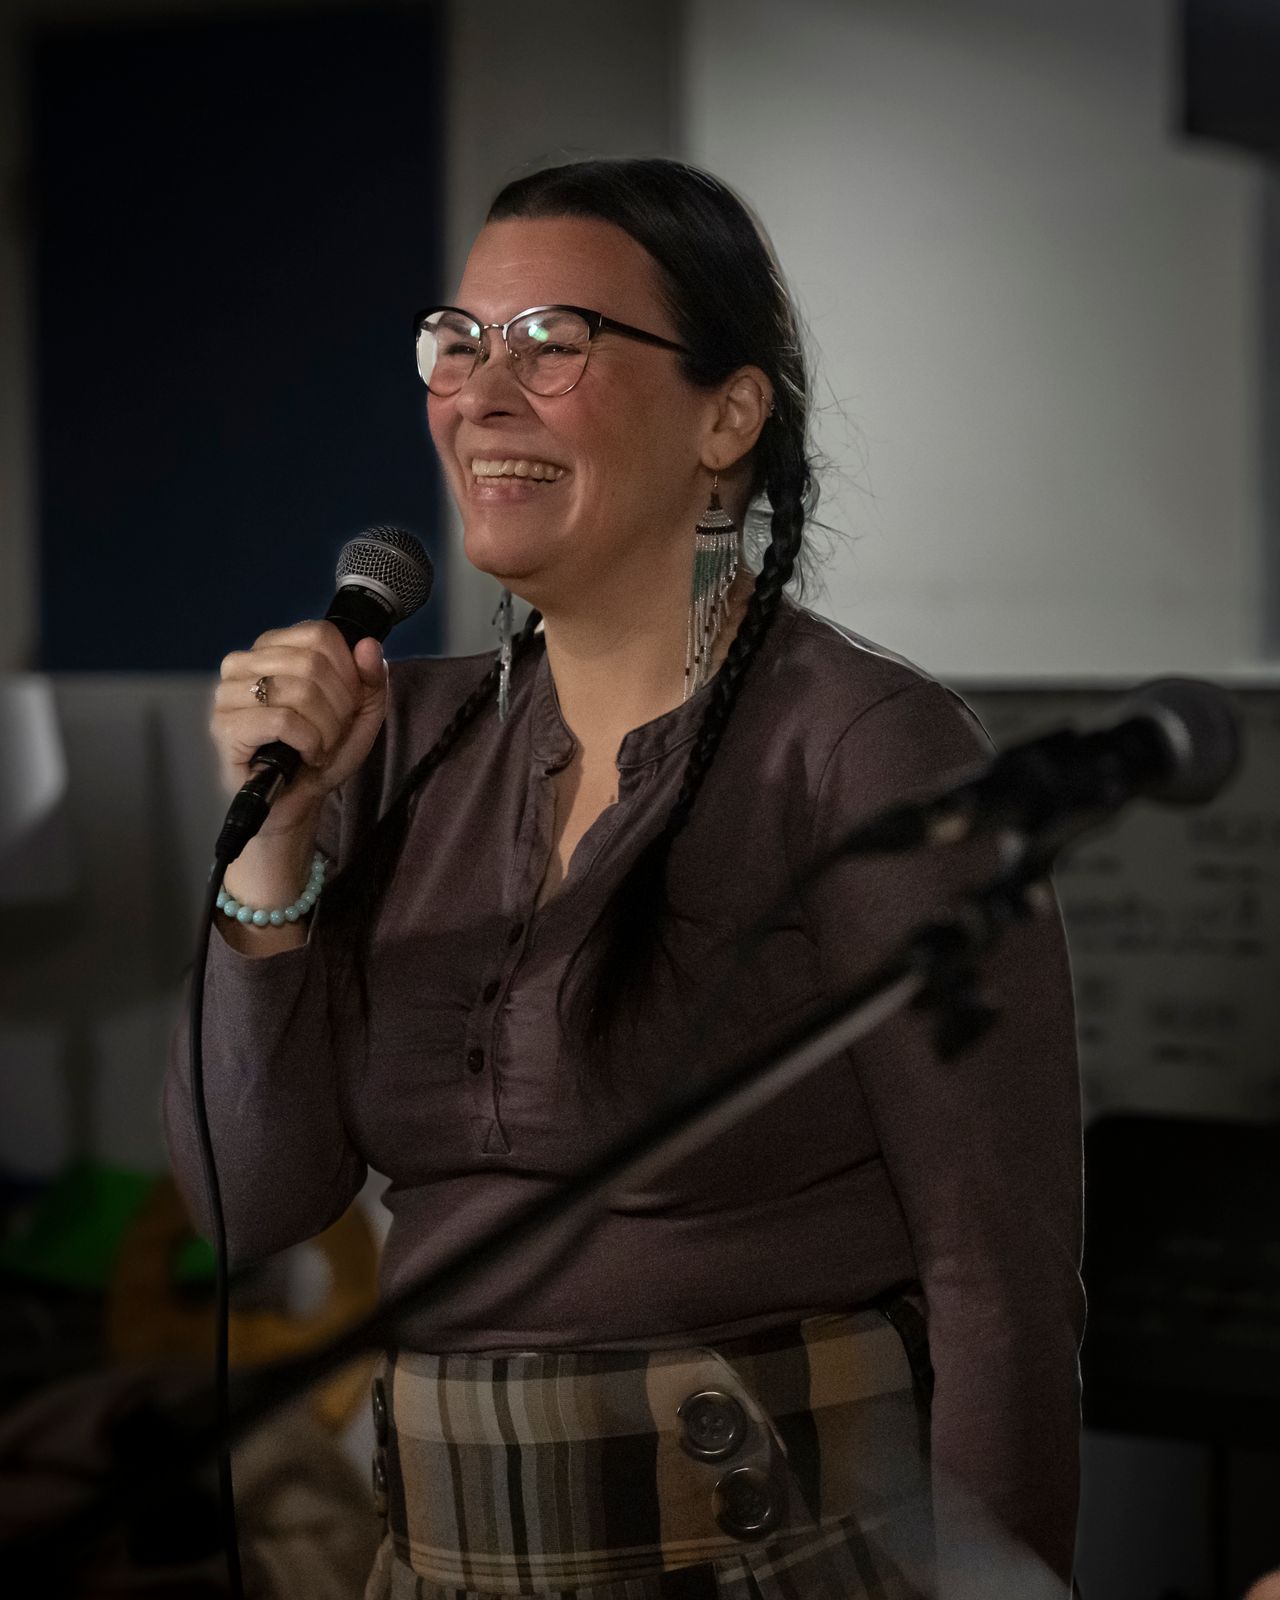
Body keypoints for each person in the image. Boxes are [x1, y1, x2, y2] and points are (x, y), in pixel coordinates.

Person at [165, 158, 1084, 1599]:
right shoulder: (397, 742)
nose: (482, 394)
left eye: (554, 341)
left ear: (728, 416)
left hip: (783, 1555)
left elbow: (1001, 1281)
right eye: (458, 341)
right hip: (441, 1561)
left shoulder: (866, 747)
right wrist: (276, 843)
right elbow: (251, 1206)